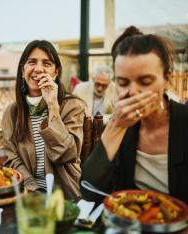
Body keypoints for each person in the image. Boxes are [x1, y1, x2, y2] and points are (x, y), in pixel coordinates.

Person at [80, 26, 188, 204]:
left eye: (145, 81)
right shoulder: (121, 127)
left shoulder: (183, 122)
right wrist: (116, 126)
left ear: (167, 80)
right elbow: (89, 191)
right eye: (123, 83)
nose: (133, 92)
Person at [2, 40, 85, 199]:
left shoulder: (73, 106)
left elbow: (66, 154)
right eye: (32, 62)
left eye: (46, 63)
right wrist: (33, 189)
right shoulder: (11, 113)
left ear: (56, 73)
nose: (38, 69)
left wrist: (53, 106)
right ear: (22, 70)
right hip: (28, 194)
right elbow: (12, 159)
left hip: (65, 197)